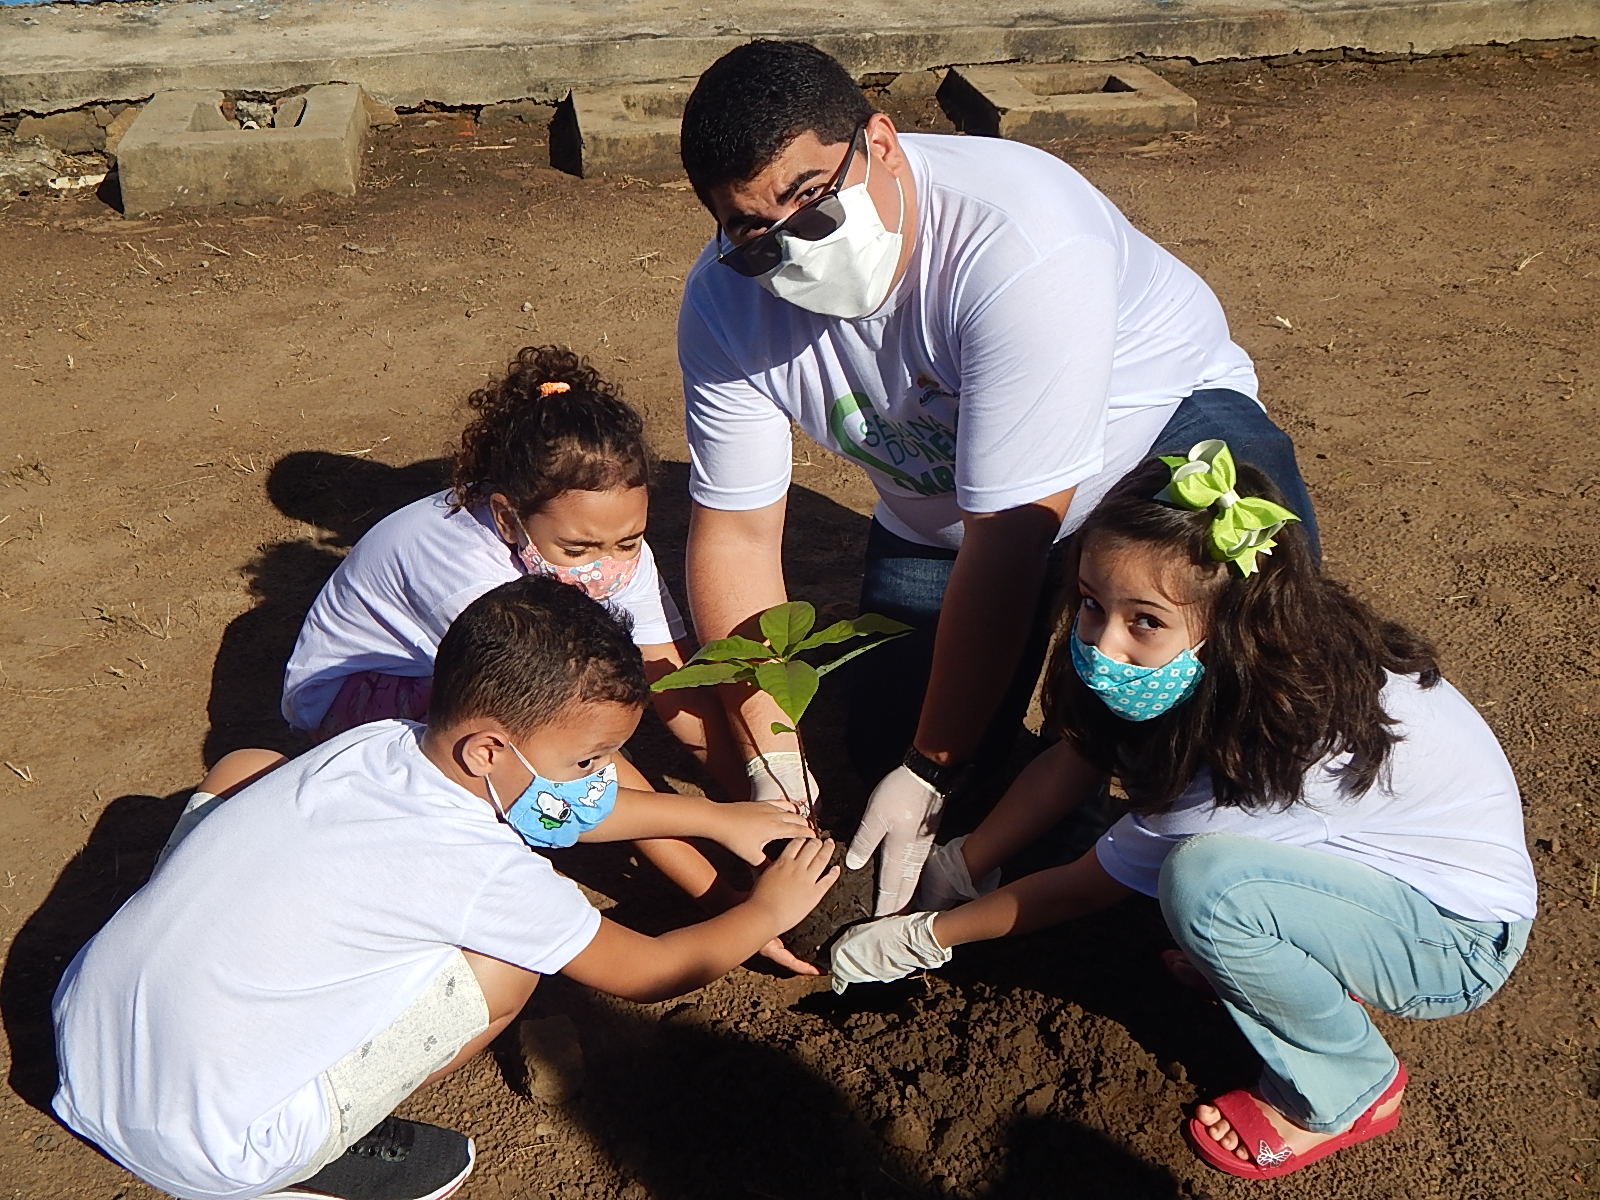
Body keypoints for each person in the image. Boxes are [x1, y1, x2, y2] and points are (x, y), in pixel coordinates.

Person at [675, 39, 1323, 918]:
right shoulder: (723, 304)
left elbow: (1013, 536)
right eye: (756, 232)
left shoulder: (1018, 239)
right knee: (884, 749)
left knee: (1222, 708)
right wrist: (769, 757)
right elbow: (738, 533)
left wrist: (933, 767)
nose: (795, 249)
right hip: (946, 506)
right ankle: (1046, 826)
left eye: (813, 202)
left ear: (883, 142)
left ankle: (1204, 871)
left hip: (1152, 444)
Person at [828, 442, 1536, 1179]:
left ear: (1231, 623)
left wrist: (926, 936)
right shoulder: (1239, 665)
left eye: (1145, 622)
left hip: (1455, 940)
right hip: (1369, 869)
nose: (1105, 641)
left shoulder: (1280, 737)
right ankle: (1287, 953)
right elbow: (1075, 757)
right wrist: (961, 861)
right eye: (1094, 606)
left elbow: (1084, 884)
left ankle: (1350, 1086)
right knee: (1206, 890)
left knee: (1207, 889)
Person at [53, 576, 836, 1200]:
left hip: (84, 1039)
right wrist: (768, 908)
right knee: (508, 966)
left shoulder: (376, 745)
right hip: (216, 1146)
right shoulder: (484, 872)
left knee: (247, 770)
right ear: (489, 750)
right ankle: (313, 1158)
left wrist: (717, 819)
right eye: (592, 760)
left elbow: (560, 806)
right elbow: (650, 971)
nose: (599, 778)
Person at [280, 345, 817, 973]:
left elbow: (667, 677)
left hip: (491, 673)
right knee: (554, 769)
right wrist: (722, 893)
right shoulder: (467, 577)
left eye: (629, 540)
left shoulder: (606, 549)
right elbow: (577, 753)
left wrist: (771, 794)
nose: (610, 563)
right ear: (509, 517)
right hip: (361, 699)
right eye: (579, 547)